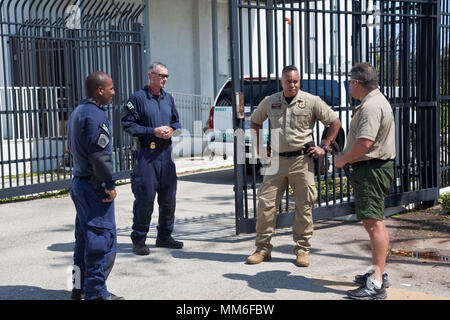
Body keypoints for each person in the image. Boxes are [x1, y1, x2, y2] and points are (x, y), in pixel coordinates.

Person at [247, 65, 341, 267]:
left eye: (296, 81)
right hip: (276, 161)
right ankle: (262, 249)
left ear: (300, 81)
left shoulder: (311, 101)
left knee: (304, 206)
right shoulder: (270, 102)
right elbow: (254, 123)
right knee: (266, 205)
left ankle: (302, 249)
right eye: (288, 81)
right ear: (282, 82)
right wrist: (260, 148)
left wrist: (324, 147)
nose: (293, 85)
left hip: (302, 161)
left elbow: (334, 122)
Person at [335, 62, 396, 300]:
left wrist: (342, 160)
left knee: (374, 224)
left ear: (356, 83)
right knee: (374, 223)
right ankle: (378, 272)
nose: (349, 86)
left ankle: (376, 284)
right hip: (373, 168)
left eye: (350, 82)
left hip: (371, 169)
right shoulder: (376, 100)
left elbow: (364, 144)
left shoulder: (371, 106)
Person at [68, 71, 123, 300]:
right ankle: (96, 293)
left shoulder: (77, 112)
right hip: (93, 188)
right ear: (100, 90)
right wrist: (108, 184)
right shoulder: (95, 115)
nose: (113, 92)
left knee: (82, 240)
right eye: (110, 88)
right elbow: (100, 156)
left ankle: (78, 288)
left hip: (79, 184)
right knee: (100, 241)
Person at [121, 62, 183, 256]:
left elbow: (176, 121)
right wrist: (152, 131)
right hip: (146, 155)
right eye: (161, 75)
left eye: (166, 76)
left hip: (165, 154)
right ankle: (139, 239)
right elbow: (127, 124)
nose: (164, 79)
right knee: (145, 198)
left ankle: (164, 236)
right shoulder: (137, 98)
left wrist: (171, 130)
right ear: (151, 75)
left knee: (168, 198)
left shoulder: (168, 99)